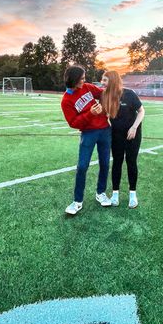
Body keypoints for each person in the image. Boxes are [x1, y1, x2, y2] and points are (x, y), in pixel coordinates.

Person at [61, 65, 112, 215]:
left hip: (104, 130)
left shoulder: (88, 87)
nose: (84, 80)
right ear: (74, 80)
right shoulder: (66, 100)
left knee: (104, 163)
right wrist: (90, 114)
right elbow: (73, 123)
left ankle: (100, 193)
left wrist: (104, 106)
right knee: (82, 166)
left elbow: (103, 93)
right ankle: (77, 201)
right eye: (82, 78)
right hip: (88, 134)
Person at [100, 70, 145, 208]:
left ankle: (132, 195)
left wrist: (134, 127)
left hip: (132, 135)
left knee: (131, 162)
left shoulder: (129, 94)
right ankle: (115, 194)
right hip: (116, 135)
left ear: (112, 81)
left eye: (105, 80)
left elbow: (142, 111)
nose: (102, 82)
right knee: (117, 163)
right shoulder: (105, 95)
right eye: (102, 80)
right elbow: (105, 115)